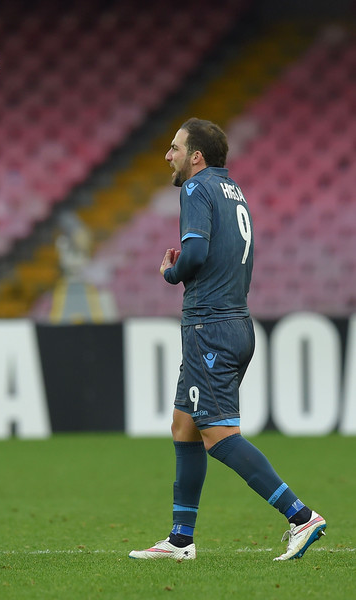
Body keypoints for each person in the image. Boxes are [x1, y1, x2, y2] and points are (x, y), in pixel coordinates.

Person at [128, 118, 326, 562]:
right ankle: (181, 539)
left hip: (209, 327)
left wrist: (170, 273)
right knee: (185, 426)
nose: (168, 155)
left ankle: (300, 516)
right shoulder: (233, 191)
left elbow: (194, 254)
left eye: (175, 148)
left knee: (219, 436)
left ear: (196, 156)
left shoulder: (196, 189)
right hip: (233, 320)